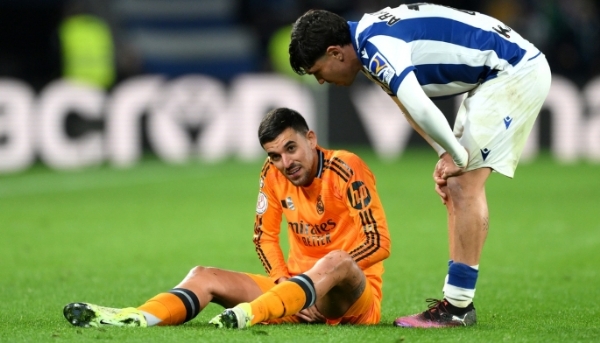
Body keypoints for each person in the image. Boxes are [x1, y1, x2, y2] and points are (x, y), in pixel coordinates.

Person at [289, 3, 551, 328]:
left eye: (318, 71)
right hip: (497, 74)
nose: (321, 82)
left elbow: (422, 107)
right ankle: (456, 304)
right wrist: (445, 153)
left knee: (464, 184)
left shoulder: (375, 47)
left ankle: (457, 308)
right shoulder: (368, 40)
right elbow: (407, 107)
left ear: (335, 53)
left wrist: (456, 156)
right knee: (458, 183)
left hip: (513, 71)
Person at [62, 107, 391, 329]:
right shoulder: (273, 174)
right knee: (204, 275)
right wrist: (281, 280)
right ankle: (136, 317)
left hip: (351, 302)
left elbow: (378, 243)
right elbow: (263, 236)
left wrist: (314, 281)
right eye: (274, 155)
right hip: (291, 296)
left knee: (337, 261)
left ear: (311, 139)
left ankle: (249, 314)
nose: (284, 162)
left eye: (291, 148)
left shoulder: (346, 167)